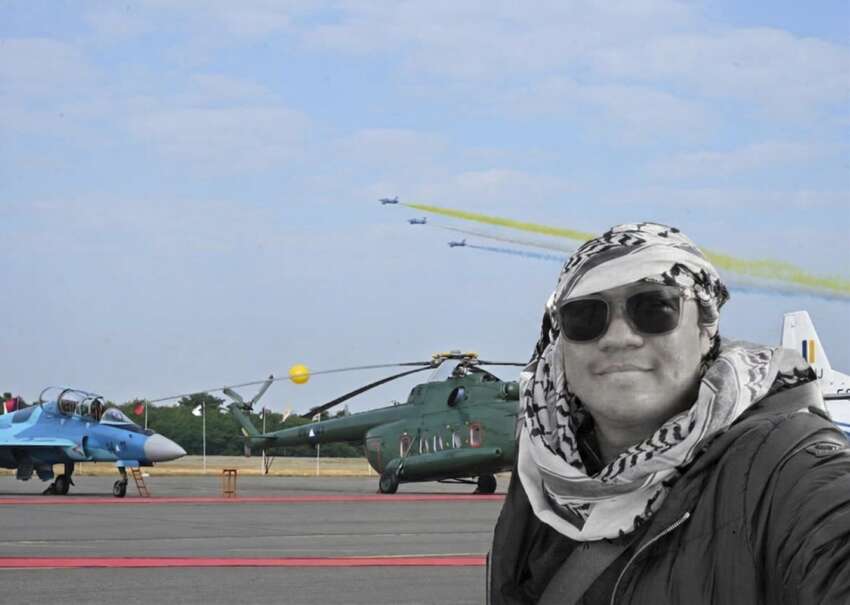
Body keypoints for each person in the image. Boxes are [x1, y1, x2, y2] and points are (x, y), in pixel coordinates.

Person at [488, 223, 850, 604]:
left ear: (705, 329)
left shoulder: (783, 466)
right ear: (561, 344)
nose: (618, 337)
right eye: (585, 316)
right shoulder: (542, 471)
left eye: (655, 308)